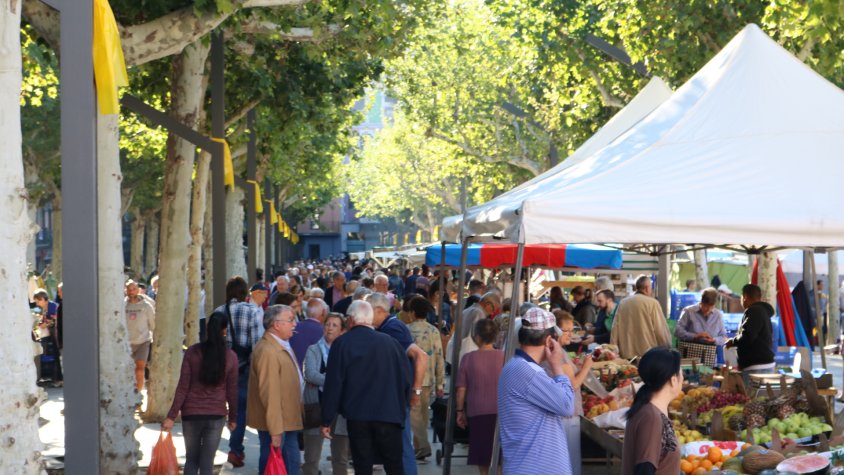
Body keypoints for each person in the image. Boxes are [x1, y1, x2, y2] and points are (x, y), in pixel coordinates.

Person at [320, 301, 412, 475]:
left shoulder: (342, 344)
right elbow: (406, 379)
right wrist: (402, 406)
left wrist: (326, 419)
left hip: (358, 415)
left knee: (362, 464)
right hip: (389, 414)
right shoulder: (391, 343)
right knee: (394, 465)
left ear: (351, 319)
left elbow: (334, 384)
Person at [498, 307, 574, 475]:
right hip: (534, 468)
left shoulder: (518, 367)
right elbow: (567, 405)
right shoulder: (528, 372)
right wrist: (557, 366)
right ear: (549, 341)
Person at [162, 313, 238, 475]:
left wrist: (171, 416)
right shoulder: (231, 357)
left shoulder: (192, 352)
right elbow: (232, 391)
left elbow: (183, 386)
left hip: (191, 414)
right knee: (207, 462)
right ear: (225, 331)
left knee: (191, 460)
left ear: (208, 328)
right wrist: (233, 417)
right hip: (216, 414)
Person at [369, 292, 427, 475]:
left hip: (398, 398)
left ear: (379, 310)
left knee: (401, 446)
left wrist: (416, 391)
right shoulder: (388, 326)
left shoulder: (392, 328)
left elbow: (421, 356)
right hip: (394, 397)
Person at [246, 305, 304, 475]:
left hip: (287, 420)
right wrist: (275, 430)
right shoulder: (269, 350)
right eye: (291, 320)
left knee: (290, 463)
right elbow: (269, 393)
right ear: (276, 325)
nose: (295, 324)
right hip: (278, 423)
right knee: (275, 465)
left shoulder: (280, 344)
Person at [218, 276, 264, 468]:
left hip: (222, 367)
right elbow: (257, 344)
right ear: (245, 292)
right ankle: (235, 449)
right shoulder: (251, 311)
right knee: (240, 410)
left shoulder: (219, 312)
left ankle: (236, 449)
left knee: (228, 409)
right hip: (244, 368)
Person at [622, 347, 682, 475]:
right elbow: (644, 469)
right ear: (673, 379)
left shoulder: (650, 411)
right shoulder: (651, 418)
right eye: (682, 374)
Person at [302, 313, 350, 475]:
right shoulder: (313, 349)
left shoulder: (346, 350)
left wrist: (325, 380)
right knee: (311, 457)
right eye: (327, 324)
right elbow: (310, 374)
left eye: (334, 325)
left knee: (340, 458)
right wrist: (336, 382)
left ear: (342, 331)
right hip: (316, 407)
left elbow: (349, 377)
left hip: (341, 409)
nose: (329, 328)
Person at [456, 319, 504, 475]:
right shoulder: (505, 356)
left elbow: (461, 388)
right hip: (502, 412)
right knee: (500, 457)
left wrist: (459, 411)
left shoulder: (468, 358)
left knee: (482, 457)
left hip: (477, 412)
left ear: (476, 336)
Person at [552, 311, 595, 475]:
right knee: (570, 461)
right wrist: (586, 366)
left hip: (565, 413)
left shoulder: (558, 351)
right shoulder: (559, 354)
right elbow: (573, 385)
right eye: (567, 330)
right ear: (556, 331)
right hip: (567, 416)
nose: (571, 334)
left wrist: (575, 366)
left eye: (572, 330)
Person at [406, 296, 445, 460]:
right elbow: (439, 357)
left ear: (413, 312)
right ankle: (419, 447)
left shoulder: (406, 330)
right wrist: (441, 383)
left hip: (412, 379)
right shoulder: (433, 331)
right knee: (421, 415)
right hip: (428, 380)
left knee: (414, 416)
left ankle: (422, 446)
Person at [611, 275, 672, 360]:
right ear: (647, 288)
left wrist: (613, 349)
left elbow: (615, 329)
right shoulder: (652, 303)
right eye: (651, 287)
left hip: (626, 355)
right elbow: (660, 330)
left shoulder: (623, 303)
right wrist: (667, 348)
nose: (651, 290)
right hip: (648, 355)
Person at [725, 284, 775, 387]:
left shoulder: (754, 311)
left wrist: (733, 341)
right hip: (762, 365)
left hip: (756, 367)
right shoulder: (762, 312)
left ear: (745, 297)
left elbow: (747, 336)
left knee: (751, 401)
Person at [125, 280, 155, 392]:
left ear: (138, 290)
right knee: (127, 371)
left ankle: (138, 395)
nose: (131, 292)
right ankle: (129, 394)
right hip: (127, 343)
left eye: (134, 289)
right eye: (129, 289)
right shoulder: (123, 305)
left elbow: (153, 324)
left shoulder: (146, 306)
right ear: (126, 291)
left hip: (143, 341)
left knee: (139, 370)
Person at [33, 288, 63, 385]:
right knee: (55, 356)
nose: (37, 304)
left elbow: (56, 319)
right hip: (52, 335)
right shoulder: (45, 308)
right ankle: (58, 378)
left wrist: (46, 324)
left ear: (42, 298)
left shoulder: (52, 306)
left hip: (56, 334)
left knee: (58, 356)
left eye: (38, 301)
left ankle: (60, 379)